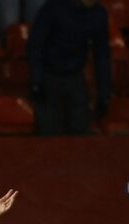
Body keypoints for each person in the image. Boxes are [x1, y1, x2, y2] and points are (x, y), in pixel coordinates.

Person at [27, 0, 111, 136]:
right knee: (48, 134)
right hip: (48, 75)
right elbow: (35, 45)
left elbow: (102, 55)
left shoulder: (98, 14)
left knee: (81, 134)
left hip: (75, 76)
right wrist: (36, 82)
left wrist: (104, 95)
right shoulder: (53, 8)